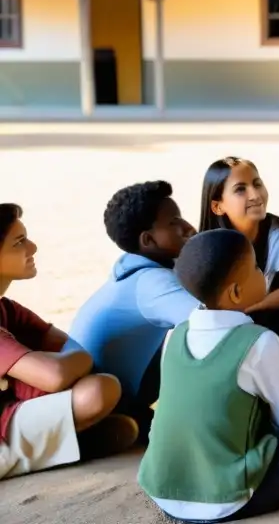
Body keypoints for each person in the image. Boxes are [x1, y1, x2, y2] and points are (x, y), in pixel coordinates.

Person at [138, 229, 279, 521]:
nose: (263, 273)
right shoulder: (259, 342)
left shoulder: (174, 335)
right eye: (257, 268)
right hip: (226, 498)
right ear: (236, 292)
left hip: (163, 488)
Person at [1, 203, 137, 480]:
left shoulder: (8, 309)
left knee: (103, 388)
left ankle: (53, 447)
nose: (33, 248)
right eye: (19, 242)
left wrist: (67, 365)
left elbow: (68, 348)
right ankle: (19, 456)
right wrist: (72, 364)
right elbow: (56, 374)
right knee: (99, 390)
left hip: (10, 412)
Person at [69, 181, 198, 440]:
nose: (189, 227)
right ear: (148, 240)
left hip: (100, 393)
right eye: (174, 222)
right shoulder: (151, 283)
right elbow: (216, 322)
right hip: (105, 401)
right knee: (211, 334)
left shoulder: (131, 269)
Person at [199, 157, 279, 373]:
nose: (255, 195)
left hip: (257, 313)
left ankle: (263, 358)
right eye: (240, 190)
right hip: (223, 325)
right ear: (218, 206)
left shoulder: (276, 230)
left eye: (257, 184)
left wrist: (249, 308)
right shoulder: (209, 245)